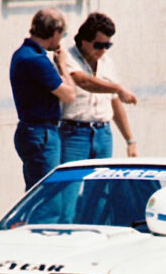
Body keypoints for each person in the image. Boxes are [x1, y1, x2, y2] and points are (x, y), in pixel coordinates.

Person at [9, 8, 76, 190]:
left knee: (36, 190)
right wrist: (62, 65)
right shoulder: (37, 60)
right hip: (41, 132)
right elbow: (69, 95)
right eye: (62, 35)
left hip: (32, 130)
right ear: (54, 33)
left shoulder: (22, 54)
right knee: (48, 195)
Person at [59, 12, 139, 162]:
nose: (103, 50)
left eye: (107, 45)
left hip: (103, 132)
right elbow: (83, 81)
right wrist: (117, 88)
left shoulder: (107, 62)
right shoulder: (66, 58)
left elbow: (114, 103)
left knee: (100, 183)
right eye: (98, 45)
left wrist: (130, 140)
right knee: (70, 183)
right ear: (83, 41)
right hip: (75, 133)